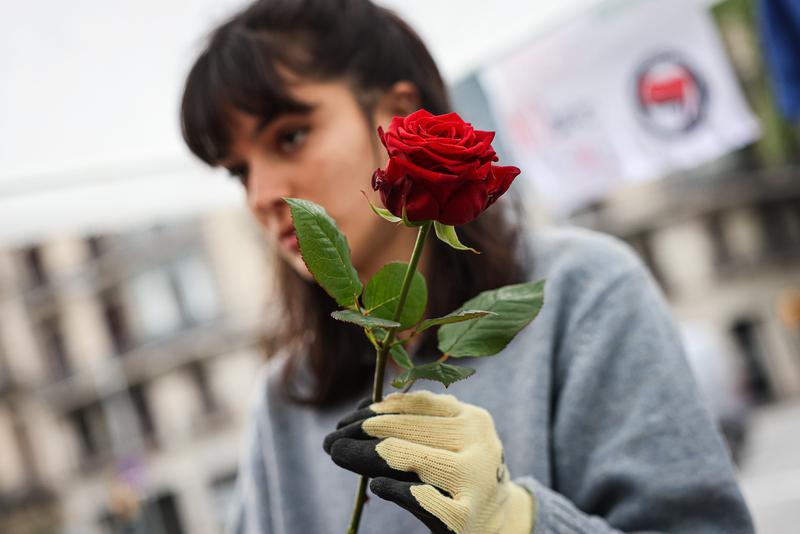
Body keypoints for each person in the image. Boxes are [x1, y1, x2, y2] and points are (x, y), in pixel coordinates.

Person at [180, 0, 755, 532]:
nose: (260, 194)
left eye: (291, 136)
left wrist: (515, 519)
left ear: (399, 116)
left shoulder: (584, 293)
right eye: (238, 171)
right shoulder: (287, 394)